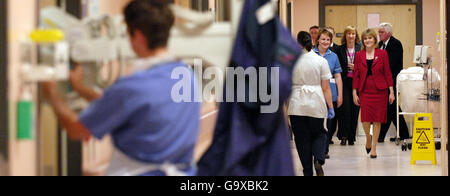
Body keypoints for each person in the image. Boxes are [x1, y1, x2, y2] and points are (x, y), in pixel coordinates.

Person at [42, 0, 201, 176]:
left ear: (138, 36)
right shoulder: (187, 76)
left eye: (127, 33)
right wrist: (80, 89)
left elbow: (75, 130)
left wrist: (51, 92)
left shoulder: (132, 87)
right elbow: (132, 108)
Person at [288, 31, 334, 176]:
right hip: (316, 102)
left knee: (302, 140)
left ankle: (307, 171)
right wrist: (331, 107)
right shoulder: (321, 60)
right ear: (311, 43)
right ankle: (319, 159)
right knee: (319, 133)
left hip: (296, 104)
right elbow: (326, 87)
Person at [353, 28, 395, 159]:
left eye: (370, 38)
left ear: (374, 40)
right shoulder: (359, 55)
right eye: (365, 38)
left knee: (377, 120)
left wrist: (391, 91)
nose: (368, 40)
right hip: (364, 90)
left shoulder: (382, 53)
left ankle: (374, 148)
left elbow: (388, 72)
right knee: (365, 119)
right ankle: (368, 138)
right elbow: (356, 75)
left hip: (380, 91)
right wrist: (355, 93)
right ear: (363, 41)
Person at [378, 23, 410, 143]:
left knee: (391, 107)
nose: (379, 34)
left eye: (382, 32)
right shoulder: (380, 45)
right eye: (379, 32)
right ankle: (404, 134)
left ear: (389, 33)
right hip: (383, 81)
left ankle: (381, 135)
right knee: (392, 107)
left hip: (392, 79)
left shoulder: (395, 44)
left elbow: (391, 64)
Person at [313, 29, 343, 158]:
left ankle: (324, 150)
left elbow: (338, 76)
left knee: (329, 125)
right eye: (323, 39)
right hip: (314, 94)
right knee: (317, 124)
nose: (325, 42)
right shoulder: (311, 54)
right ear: (318, 39)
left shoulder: (334, 56)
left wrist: (340, 95)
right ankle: (316, 149)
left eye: (328, 40)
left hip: (330, 94)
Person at [335, 26, 361, 146]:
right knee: (345, 109)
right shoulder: (340, 49)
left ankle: (352, 137)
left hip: (357, 82)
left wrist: (357, 68)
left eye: (353, 33)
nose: (351, 36)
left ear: (356, 36)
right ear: (345, 35)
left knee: (355, 109)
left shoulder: (360, 49)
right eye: (348, 33)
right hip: (344, 82)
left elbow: (366, 67)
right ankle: (343, 135)